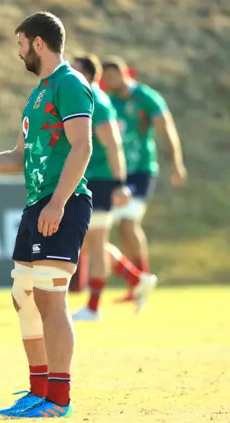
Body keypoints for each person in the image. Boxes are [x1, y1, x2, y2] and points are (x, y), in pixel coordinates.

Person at [0, 12, 92, 418]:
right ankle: (38, 391)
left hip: (61, 202)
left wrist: (58, 203)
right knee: (24, 295)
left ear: (37, 43)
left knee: (52, 299)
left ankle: (60, 398)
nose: (18, 53)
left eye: (20, 44)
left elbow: (82, 148)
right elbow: (19, 157)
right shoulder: (39, 93)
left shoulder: (69, 84)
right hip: (37, 202)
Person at [70, 54, 157, 320]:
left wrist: (120, 184)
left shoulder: (98, 102)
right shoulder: (85, 98)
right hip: (88, 178)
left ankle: (94, 307)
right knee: (89, 242)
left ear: (85, 74)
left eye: (73, 70)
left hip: (101, 180)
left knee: (95, 243)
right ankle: (136, 278)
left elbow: (113, 145)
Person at [101, 56, 187, 302]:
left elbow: (166, 129)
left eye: (110, 77)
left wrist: (176, 164)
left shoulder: (146, 98)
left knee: (128, 223)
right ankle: (138, 281)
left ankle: (143, 278)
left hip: (141, 171)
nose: (107, 82)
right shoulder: (108, 101)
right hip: (116, 172)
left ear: (123, 73)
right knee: (116, 230)